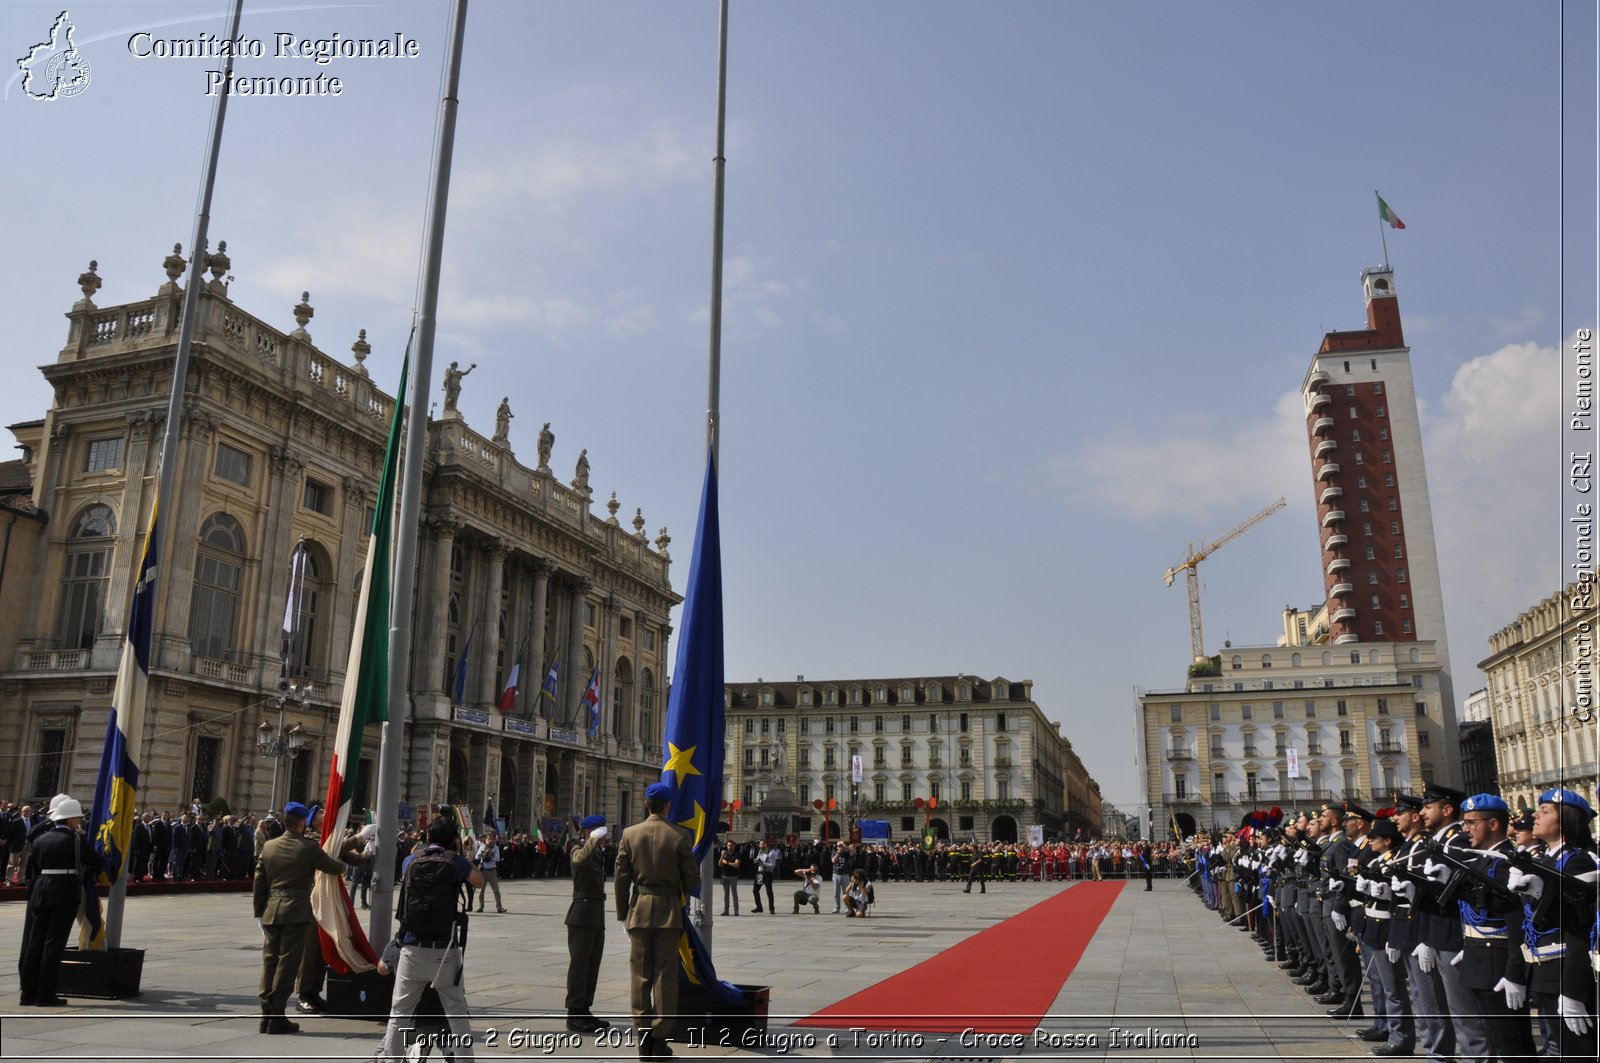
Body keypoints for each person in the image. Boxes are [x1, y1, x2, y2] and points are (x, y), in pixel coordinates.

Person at [376, 815, 484, 1062]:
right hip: (445, 950)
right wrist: (461, 854)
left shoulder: (410, 861)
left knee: (399, 1013)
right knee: (457, 1013)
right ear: (453, 840)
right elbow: (478, 882)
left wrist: (421, 846)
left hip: (411, 948)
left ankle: (390, 1060)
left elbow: (412, 858)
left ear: (427, 838)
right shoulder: (455, 861)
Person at [252, 802, 357, 1034]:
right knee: (287, 964)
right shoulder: (307, 847)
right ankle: (277, 1015)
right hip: (297, 912)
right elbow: (334, 866)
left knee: (269, 963)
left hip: (271, 911)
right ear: (301, 823)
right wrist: (343, 864)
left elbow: (259, 882)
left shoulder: (269, 846)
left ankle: (265, 1014)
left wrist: (259, 912)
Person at [614, 782, 699, 1062]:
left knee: (640, 977)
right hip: (668, 913)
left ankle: (643, 1042)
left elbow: (621, 879)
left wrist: (622, 913)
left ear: (646, 805)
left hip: (638, 911)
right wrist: (677, 896)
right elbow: (692, 879)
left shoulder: (629, 834)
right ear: (667, 806)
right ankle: (660, 1041)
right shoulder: (679, 835)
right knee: (665, 977)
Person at [18, 793, 101, 1007]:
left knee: (34, 944)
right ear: (71, 820)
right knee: (53, 945)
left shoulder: (39, 839)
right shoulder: (75, 840)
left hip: (40, 890)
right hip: (63, 892)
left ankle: (27, 993)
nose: (80, 821)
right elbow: (95, 861)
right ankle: (45, 994)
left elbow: (34, 869)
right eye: (78, 818)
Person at [565, 815, 611, 1034]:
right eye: (599, 832)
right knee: (580, 966)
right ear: (589, 832)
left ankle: (584, 1008)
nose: (604, 836)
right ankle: (573, 1013)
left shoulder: (599, 853)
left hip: (595, 915)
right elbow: (579, 860)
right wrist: (592, 839)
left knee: (592, 966)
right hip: (581, 915)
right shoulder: (578, 849)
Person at [474, 831, 506, 913]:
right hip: (483, 871)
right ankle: (481, 907)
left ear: (494, 840)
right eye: (489, 839)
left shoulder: (495, 848)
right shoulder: (482, 847)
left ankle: (499, 907)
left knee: (496, 890)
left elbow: (498, 859)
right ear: (486, 839)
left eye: (492, 839)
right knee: (481, 891)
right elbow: (476, 857)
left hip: (492, 871)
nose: (490, 840)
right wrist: (482, 853)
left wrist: (492, 855)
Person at [751, 839, 778, 913]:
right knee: (755, 890)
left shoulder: (771, 853)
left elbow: (772, 866)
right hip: (760, 874)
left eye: (761, 844)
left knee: (769, 892)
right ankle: (759, 907)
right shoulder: (760, 851)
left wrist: (762, 863)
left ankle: (771, 908)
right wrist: (756, 861)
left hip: (767, 874)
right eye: (760, 844)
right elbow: (758, 859)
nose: (760, 846)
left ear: (766, 845)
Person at [717, 840, 741, 916]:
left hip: (733, 876)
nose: (729, 847)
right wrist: (722, 856)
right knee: (726, 895)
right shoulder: (725, 854)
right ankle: (726, 910)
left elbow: (736, 865)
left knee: (734, 894)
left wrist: (727, 863)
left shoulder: (736, 854)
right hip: (724, 876)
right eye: (728, 845)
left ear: (734, 846)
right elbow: (720, 864)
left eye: (731, 845)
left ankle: (736, 910)